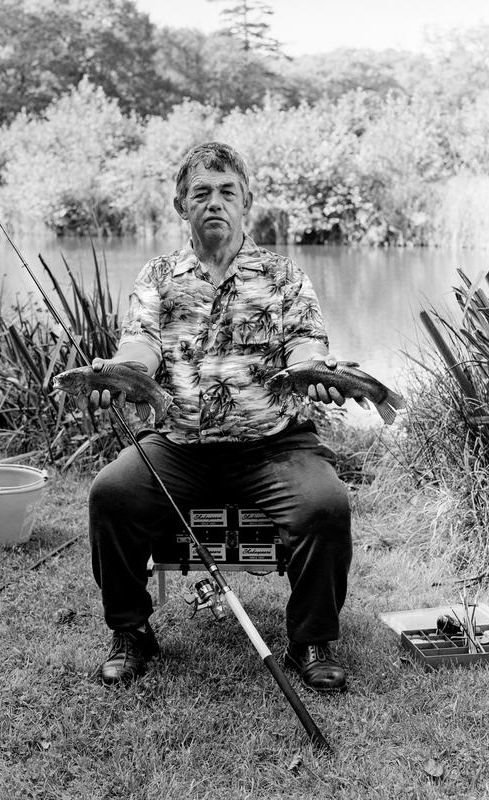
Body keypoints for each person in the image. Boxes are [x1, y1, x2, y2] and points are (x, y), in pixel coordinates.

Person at [83, 142, 354, 692]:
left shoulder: (284, 277)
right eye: (201, 193)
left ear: (246, 201)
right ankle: (131, 633)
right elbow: (141, 347)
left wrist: (316, 372)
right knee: (111, 493)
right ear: (181, 205)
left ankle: (310, 639)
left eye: (227, 191)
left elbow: (306, 348)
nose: (215, 203)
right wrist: (118, 373)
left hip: (275, 443)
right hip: (179, 444)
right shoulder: (158, 276)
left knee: (326, 505)